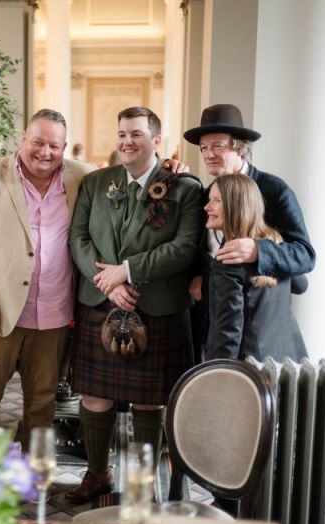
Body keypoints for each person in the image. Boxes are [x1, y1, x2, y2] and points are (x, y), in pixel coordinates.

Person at [66, 107, 203, 503]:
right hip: (100, 301)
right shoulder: (96, 182)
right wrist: (108, 284)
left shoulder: (184, 188)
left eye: (137, 134)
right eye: (122, 134)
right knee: (94, 396)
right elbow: (78, 239)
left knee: (149, 401)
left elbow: (184, 247)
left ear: (156, 140)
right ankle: (97, 474)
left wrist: (126, 271)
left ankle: (143, 483)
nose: (127, 141)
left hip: (157, 306)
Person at [0, 109, 94, 449]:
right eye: (38, 142)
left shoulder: (83, 177)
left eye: (54, 146)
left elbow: (129, 180)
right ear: (23, 139)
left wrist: (170, 168)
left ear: (65, 148)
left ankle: (32, 468)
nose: (45, 152)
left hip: (55, 313)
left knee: (42, 402)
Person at [182, 103, 315, 356]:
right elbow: (199, 250)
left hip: (260, 337)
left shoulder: (275, 191)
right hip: (212, 324)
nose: (209, 154)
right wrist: (198, 275)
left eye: (217, 146)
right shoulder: (206, 195)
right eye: (204, 148)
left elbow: (305, 256)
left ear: (240, 148)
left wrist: (258, 250)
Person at [203, 174, 307, 361]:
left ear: (237, 205)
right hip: (289, 363)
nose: (207, 207)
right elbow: (301, 284)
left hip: (250, 368)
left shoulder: (228, 259)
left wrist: (217, 373)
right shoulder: (276, 245)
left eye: (217, 200)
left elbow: (227, 334)